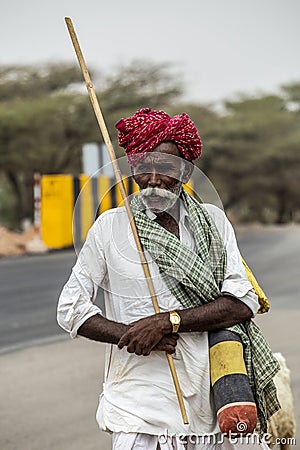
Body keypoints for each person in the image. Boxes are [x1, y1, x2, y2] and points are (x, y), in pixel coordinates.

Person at [57, 108, 280, 450]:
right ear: (131, 170)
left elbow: (243, 301)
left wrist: (166, 323)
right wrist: (130, 334)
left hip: (212, 394)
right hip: (138, 404)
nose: (155, 180)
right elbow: (70, 309)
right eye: (145, 169)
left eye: (167, 169)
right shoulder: (110, 228)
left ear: (186, 170)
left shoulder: (213, 222)